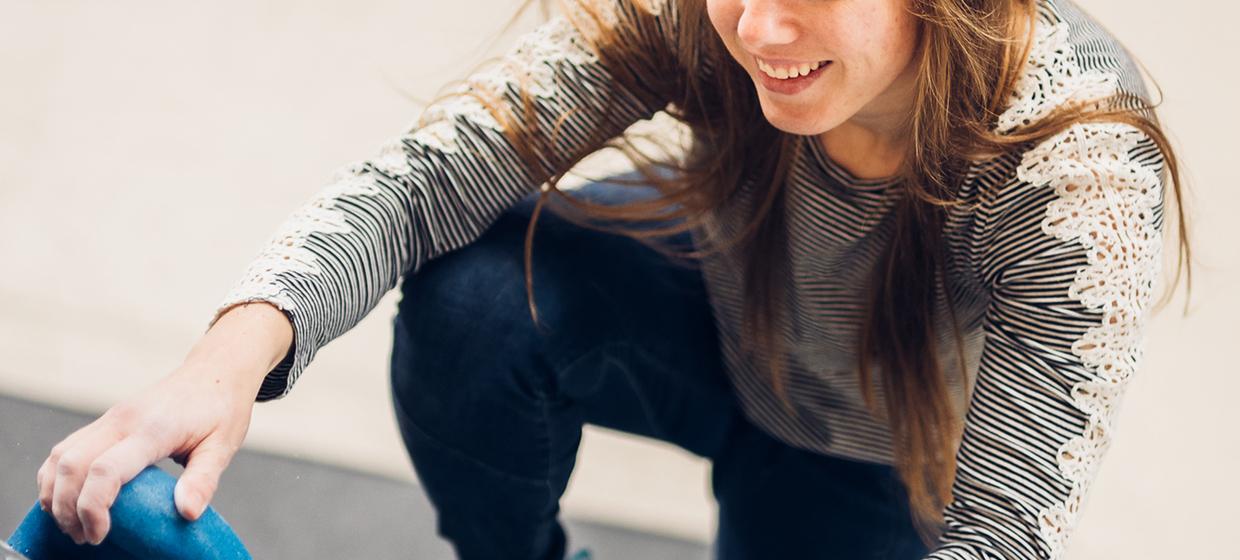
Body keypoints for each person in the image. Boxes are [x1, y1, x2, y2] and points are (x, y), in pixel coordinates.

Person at [34, 0, 1190, 557]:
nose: (757, 25)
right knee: (480, 290)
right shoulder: (701, 16)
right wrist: (226, 356)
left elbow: (1002, 529)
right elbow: (423, 179)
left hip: (873, 450)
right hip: (710, 308)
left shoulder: (1078, 158)